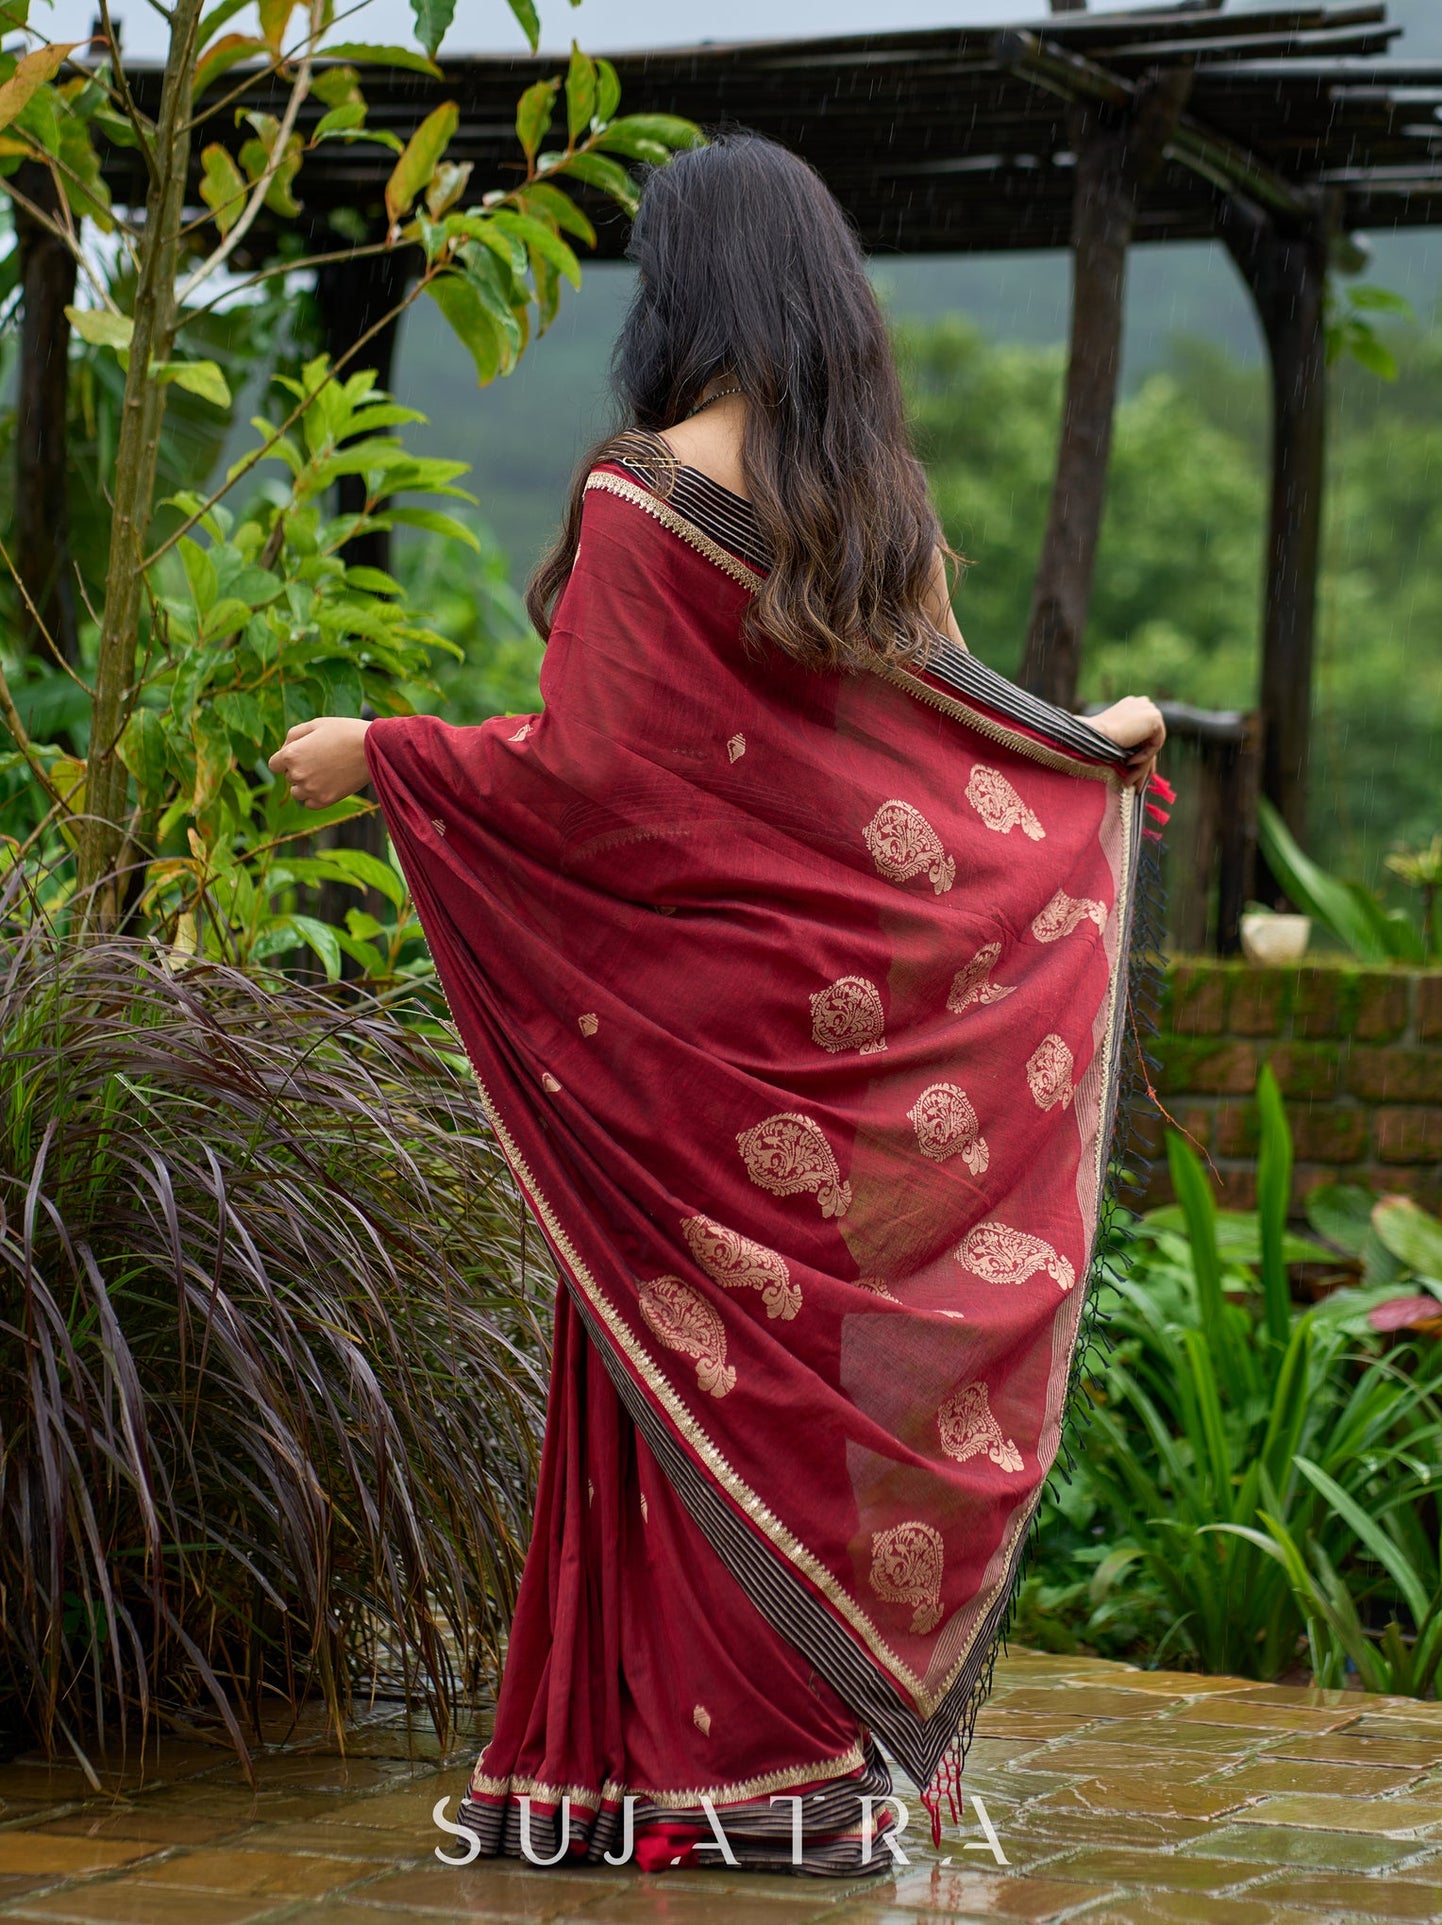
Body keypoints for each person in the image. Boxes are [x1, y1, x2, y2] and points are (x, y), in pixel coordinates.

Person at [270, 131, 1166, 1878]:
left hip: (686, 1057)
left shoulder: (641, 496)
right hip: (847, 1062)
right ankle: (813, 1772)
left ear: (683, 290)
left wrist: (380, 753)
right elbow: (953, 760)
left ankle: (676, 1781)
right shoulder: (875, 510)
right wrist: (1094, 740)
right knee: (798, 1381)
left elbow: (593, 781)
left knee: (671, 1389)